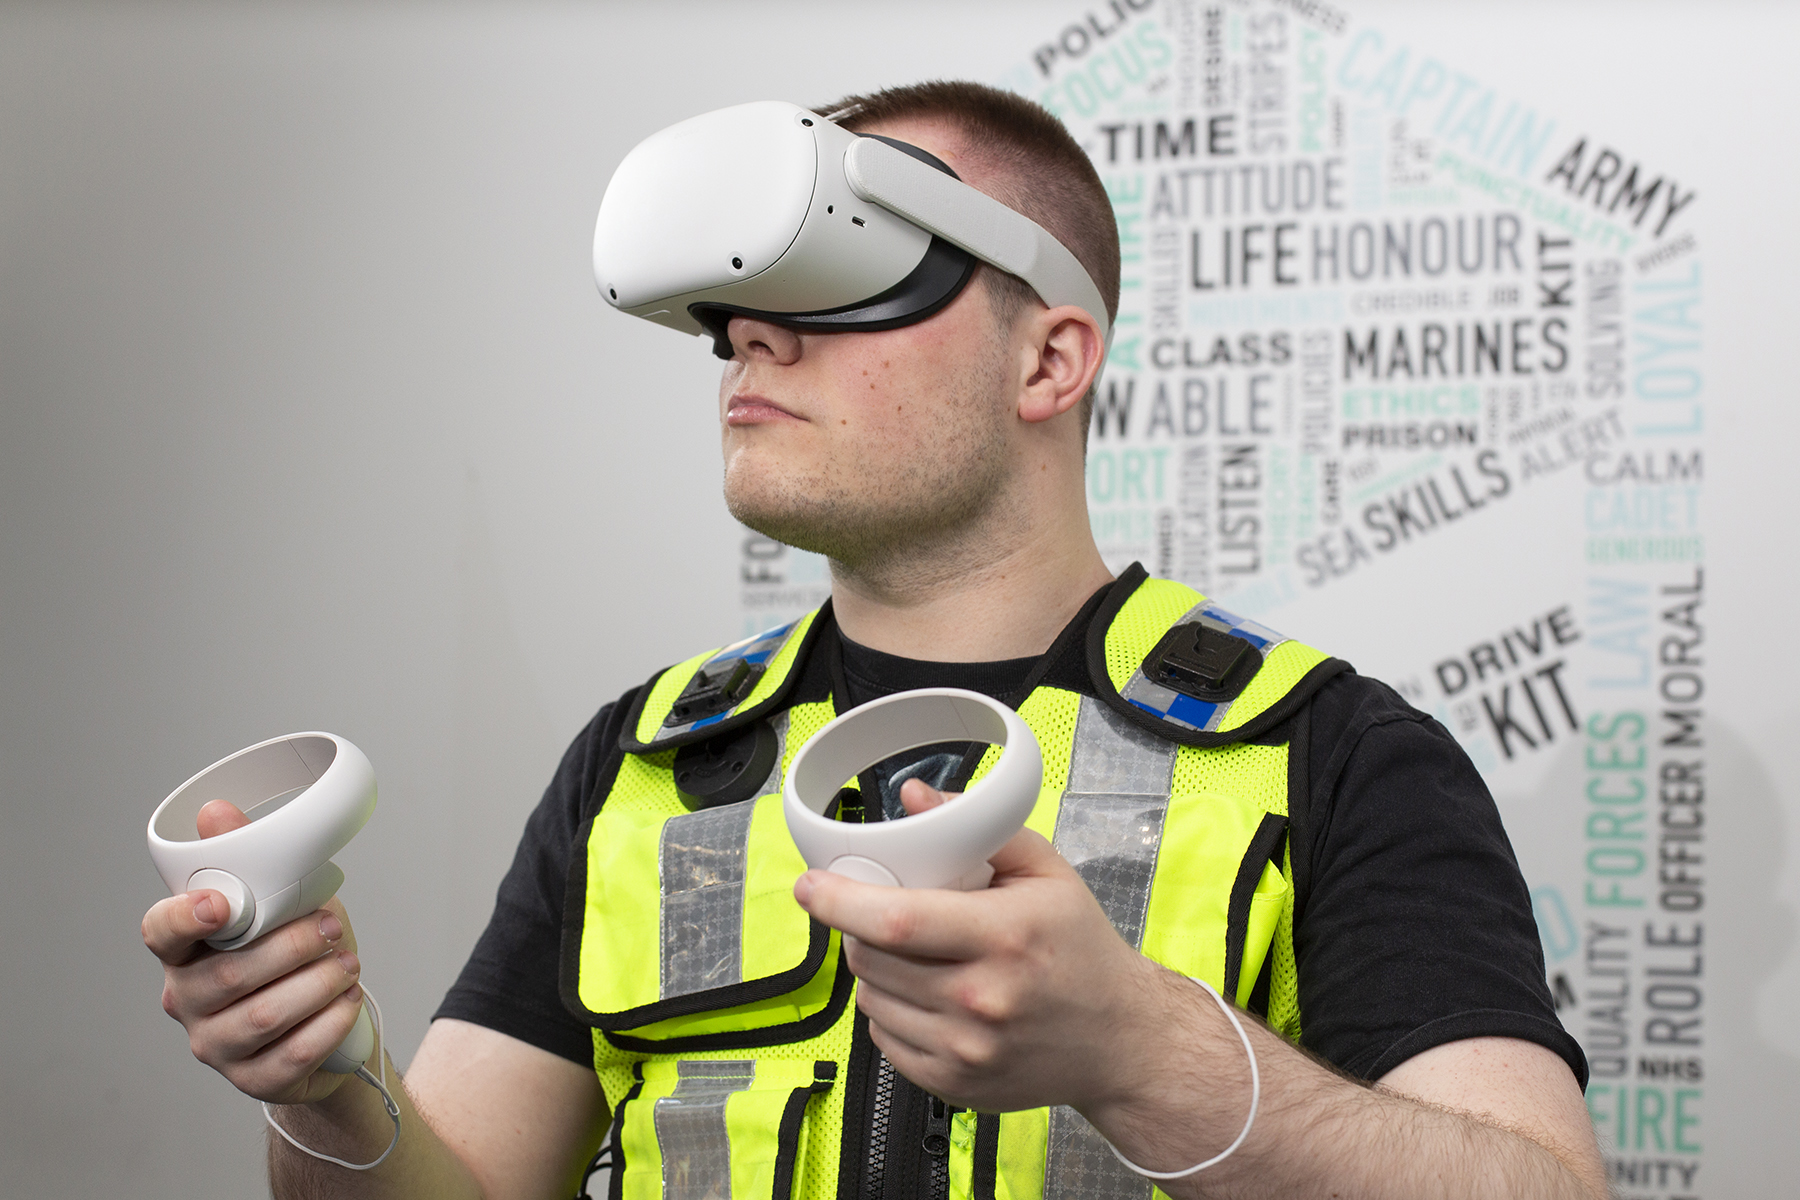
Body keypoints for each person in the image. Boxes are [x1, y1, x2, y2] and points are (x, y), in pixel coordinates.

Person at [143, 81, 1606, 1199]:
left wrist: (1143, 1053)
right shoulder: (650, 764)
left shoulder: (1327, 755)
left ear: (1050, 358)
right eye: (738, 303)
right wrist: (329, 1091)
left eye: (848, 276)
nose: (751, 337)